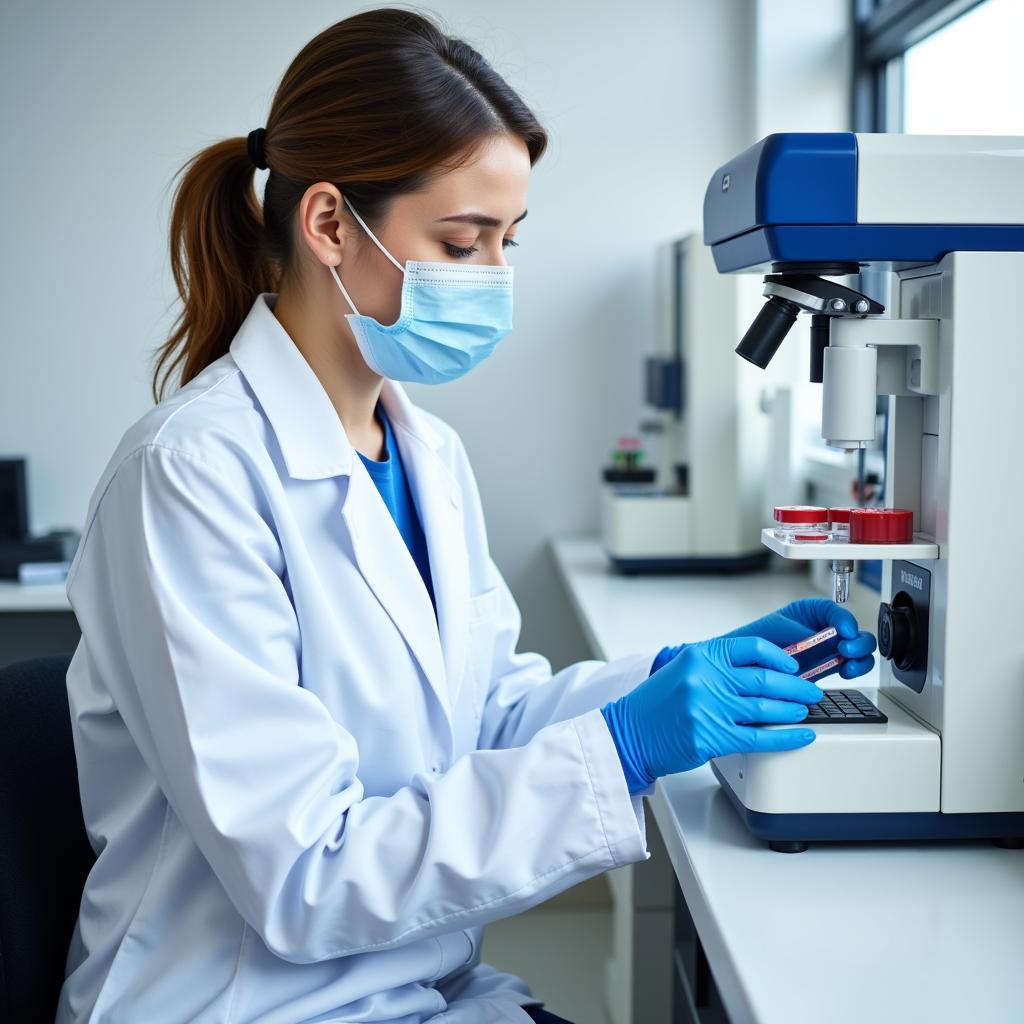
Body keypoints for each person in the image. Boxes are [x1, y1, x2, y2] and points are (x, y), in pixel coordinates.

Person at [56, 8, 876, 1024]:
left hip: (415, 986)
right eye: (462, 240)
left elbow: (483, 717)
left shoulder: (426, 454)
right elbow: (303, 874)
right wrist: (622, 745)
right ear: (327, 226)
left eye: (506, 241)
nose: (495, 278)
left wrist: (670, 682)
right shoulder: (188, 476)